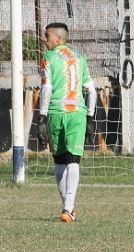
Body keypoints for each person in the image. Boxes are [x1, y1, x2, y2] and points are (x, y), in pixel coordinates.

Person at [37, 22, 97, 223]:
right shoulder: (80, 58)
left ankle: (68, 208)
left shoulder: (48, 58)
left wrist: (42, 118)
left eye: (47, 36)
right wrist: (90, 117)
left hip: (56, 112)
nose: (45, 40)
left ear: (59, 39)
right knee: (73, 159)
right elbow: (92, 90)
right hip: (77, 113)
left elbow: (46, 89)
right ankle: (68, 208)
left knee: (60, 159)